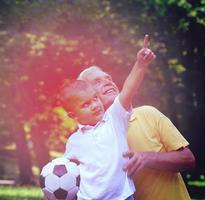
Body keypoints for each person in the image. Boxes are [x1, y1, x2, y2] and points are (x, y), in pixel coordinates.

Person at [78, 42, 195, 199]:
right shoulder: (85, 140)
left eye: (108, 78)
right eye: (97, 82)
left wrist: (146, 158)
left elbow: (187, 159)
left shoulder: (148, 114)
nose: (107, 81)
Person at [62, 35, 155, 200]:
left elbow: (128, 90)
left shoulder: (114, 120)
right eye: (85, 104)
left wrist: (140, 65)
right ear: (73, 115)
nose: (95, 105)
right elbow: (66, 174)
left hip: (123, 197)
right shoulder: (73, 142)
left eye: (95, 99)